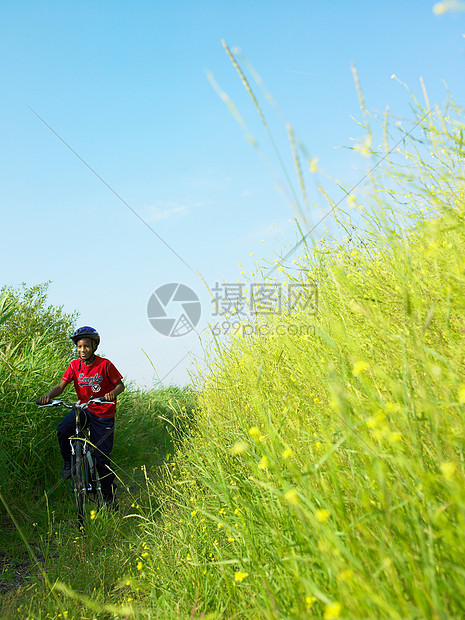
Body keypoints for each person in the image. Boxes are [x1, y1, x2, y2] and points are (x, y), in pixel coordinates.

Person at [39, 326, 125, 507]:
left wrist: (111, 393)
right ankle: (69, 463)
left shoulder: (105, 365)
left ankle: (109, 499)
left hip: (103, 414)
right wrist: (49, 396)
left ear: (94, 346)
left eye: (86, 346)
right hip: (84, 409)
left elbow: (120, 385)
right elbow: (61, 386)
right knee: (63, 430)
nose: (82, 350)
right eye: (79, 346)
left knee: (101, 457)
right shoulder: (74, 366)